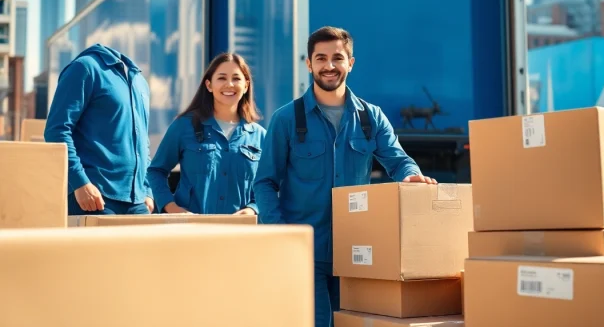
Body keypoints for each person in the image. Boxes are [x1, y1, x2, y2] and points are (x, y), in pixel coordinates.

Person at [251, 26, 436, 327]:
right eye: (321, 58)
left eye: (338, 57)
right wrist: (280, 232)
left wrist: (411, 175)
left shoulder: (370, 117)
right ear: (309, 63)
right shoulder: (286, 119)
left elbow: (398, 161)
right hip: (303, 250)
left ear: (351, 62)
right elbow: (265, 183)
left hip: (355, 252)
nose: (329, 66)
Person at [147, 52, 265, 215]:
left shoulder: (260, 136)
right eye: (221, 78)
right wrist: (171, 207)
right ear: (209, 85)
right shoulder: (184, 126)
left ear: (246, 85)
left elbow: (269, 184)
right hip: (192, 231)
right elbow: (156, 171)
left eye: (236, 78)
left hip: (241, 232)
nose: (229, 84)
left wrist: (253, 209)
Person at [44, 43, 154, 215]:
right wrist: (79, 182)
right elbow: (57, 130)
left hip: (137, 201)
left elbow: (142, 142)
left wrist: (147, 189)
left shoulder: (140, 81)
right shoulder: (84, 68)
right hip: (95, 198)